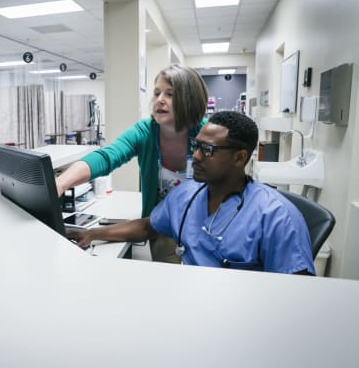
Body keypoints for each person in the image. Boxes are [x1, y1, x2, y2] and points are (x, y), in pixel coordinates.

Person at [66, 111, 316, 275]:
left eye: (207, 150)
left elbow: (298, 293)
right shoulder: (187, 194)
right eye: (196, 146)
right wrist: (91, 234)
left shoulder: (278, 217)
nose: (195, 156)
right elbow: (148, 227)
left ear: (239, 157)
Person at [56, 64, 209, 264]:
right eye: (156, 93)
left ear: (189, 99)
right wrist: (60, 183)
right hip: (161, 228)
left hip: (204, 228)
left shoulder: (208, 135)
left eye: (170, 94)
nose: (160, 100)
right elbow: (107, 156)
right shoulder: (145, 132)